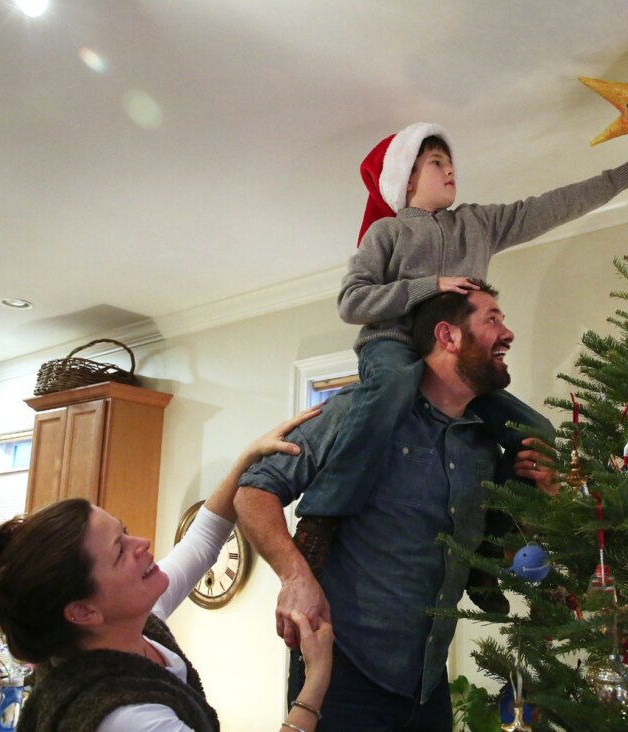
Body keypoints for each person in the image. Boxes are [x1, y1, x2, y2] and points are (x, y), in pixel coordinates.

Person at [292, 122, 628, 594]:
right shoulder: (387, 232)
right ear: (407, 178)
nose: (450, 172)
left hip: (458, 363)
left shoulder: (478, 224)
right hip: (395, 346)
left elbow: (550, 207)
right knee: (391, 387)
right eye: (436, 163)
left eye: (451, 164)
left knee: (538, 433)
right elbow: (352, 303)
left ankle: (486, 551)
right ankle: (322, 518)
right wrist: (432, 286)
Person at [234, 283, 558, 731]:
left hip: (427, 685)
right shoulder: (357, 412)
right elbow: (253, 490)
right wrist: (295, 576)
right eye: (492, 319)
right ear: (448, 336)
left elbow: (501, 552)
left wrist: (542, 495)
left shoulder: (485, 447)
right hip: (340, 677)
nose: (508, 333)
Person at [0, 408, 332, 732]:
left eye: (123, 531)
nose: (142, 544)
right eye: (119, 552)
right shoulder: (124, 716)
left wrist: (248, 455)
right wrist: (314, 683)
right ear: (83, 610)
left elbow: (202, 540)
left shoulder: (130, 626)